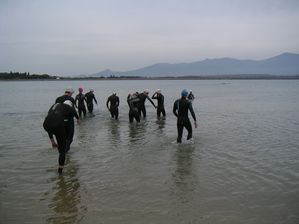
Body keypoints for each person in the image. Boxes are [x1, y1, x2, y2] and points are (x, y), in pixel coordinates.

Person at [43, 100, 79, 174]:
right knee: (62, 151)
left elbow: (51, 118)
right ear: (70, 105)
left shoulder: (55, 105)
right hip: (58, 124)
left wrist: (53, 141)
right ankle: (60, 172)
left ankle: (53, 142)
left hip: (46, 124)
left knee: (52, 127)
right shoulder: (70, 108)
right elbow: (71, 120)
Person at [55, 87, 77, 151]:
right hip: (69, 120)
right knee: (69, 138)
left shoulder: (58, 99)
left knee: (62, 137)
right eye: (72, 94)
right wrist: (77, 118)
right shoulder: (71, 99)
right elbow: (73, 110)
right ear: (70, 93)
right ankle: (65, 150)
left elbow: (55, 109)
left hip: (60, 120)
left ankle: (62, 150)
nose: (72, 95)